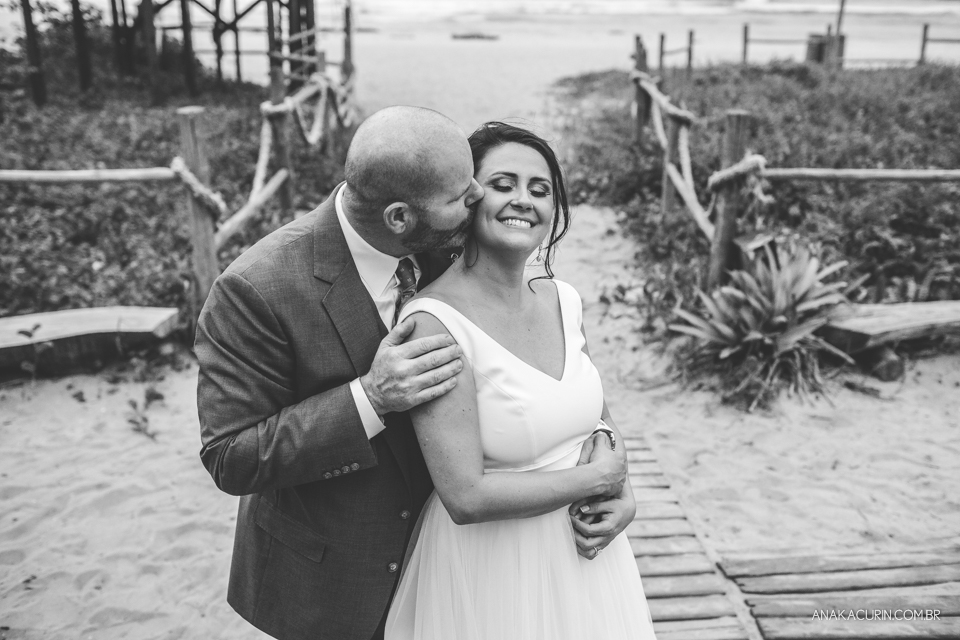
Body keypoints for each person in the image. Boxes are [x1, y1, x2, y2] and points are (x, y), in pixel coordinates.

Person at [195, 107, 634, 640]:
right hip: (334, 572)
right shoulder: (257, 288)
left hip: (472, 564)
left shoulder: (445, 242)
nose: (477, 201)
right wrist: (371, 398)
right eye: (464, 196)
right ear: (400, 218)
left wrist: (617, 484)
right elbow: (229, 456)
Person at [385, 122, 657, 640]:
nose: (523, 200)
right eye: (504, 184)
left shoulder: (564, 300)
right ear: (469, 198)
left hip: (586, 561)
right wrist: (597, 479)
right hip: (494, 571)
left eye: (540, 189)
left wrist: (624, 491)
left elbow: (596, 415)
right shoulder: (434, 323)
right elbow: (464, 496)